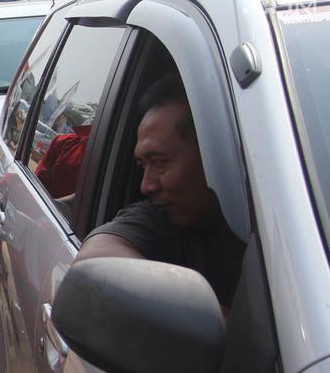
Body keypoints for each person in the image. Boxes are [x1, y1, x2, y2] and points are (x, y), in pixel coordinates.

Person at [75, 73, 244, 307]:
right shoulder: (161, 219)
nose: (146, 186)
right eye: (143, 165)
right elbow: (94, 260)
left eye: (160, 162)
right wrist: (223, 327)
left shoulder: (292, 219)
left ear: (213, 155)